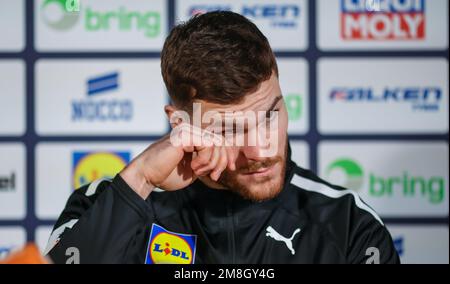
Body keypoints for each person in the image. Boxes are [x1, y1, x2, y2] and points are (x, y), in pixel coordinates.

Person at [45, 11, 399, 264]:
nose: (261, 148)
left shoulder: (350, 225)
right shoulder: (105, 205)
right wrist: (140, 179)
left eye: (270, 115)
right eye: (230, 130)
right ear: (180, 122)